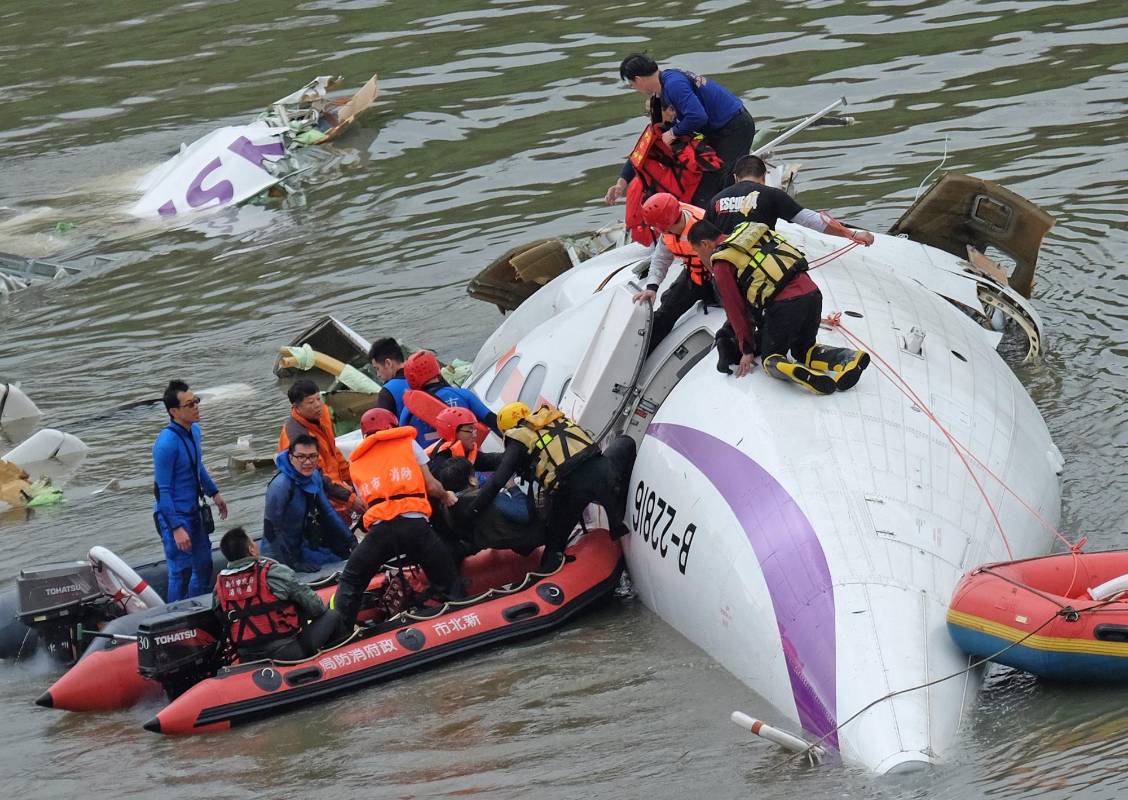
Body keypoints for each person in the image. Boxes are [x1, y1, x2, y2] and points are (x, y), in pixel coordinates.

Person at [687, 219, 870, 393]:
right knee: (805, 350)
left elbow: (736, 311)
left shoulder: (722, 263)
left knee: (771, 358)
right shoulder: (750, 234)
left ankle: (804, 376)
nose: (700, 257)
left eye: (697, 252)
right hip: (813, 294)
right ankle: (850, 358)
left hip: (786, 306)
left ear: (705, 244)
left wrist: (747, 350)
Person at [332, 407, 464, 630]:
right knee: (447, 576)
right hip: (415, 527)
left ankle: (340, 632)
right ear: (393, 426)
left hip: (382, 532)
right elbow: (431, 486)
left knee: (352, 580)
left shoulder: (357, 461)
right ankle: (461, 611)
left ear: (365, 435)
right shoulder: (409, 444)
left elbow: (367, 502)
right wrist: (446, 496)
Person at [470, 403, 637, 570]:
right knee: (625, 442)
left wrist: (473, 509)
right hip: (605, 472)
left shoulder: (519, 439)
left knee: (554, 546)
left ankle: (549, 567)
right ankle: (622, 503)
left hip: (573, 491)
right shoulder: (552, 421)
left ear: (507, 429)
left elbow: (497, 480)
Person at [607, 53, 755, 208]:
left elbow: (697, 116)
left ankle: (732, 218)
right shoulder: (658, 96)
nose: (635, 89)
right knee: (705, 182)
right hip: (715, 132)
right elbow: (647, 146)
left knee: (722, 179)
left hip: (734, 126)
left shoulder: (674, 85)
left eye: (632, 85)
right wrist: (621, 184)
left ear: (638, 79)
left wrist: (673, 133)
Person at [213, 527, 343, 662]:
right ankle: (337, 664)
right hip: (286, 652)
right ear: (251, 549)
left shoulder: (219, 587)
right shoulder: (274, 572)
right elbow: (316, 607)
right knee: (331, 615)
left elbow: (222, 620)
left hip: (247, 657)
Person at [152, 380, 228, 602]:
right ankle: (175, 615)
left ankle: (198, 607)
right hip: (173, 515)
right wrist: (175, 527)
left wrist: (214, 493)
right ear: (174, 411)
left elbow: (197, 466)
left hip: (194, 510)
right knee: (180, 572)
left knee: (204, 564)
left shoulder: (194, 430)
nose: (196, 407)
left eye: (196, 401)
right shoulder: (165, 444)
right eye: (189, 404)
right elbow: (162, 490)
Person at [704, 154, 877, 242]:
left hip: (724, 264)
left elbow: (703, 237)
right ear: (764, 177)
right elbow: (811, 220)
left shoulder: (715, 200)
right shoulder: (772, 195)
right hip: (758, 263)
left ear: (735, 178)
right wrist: (853, 234)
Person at [633, 192, 716, 355]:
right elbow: (661, 258)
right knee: (665, 313)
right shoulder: (669, 227)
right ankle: (640, 353)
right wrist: (652, 287)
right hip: (693, 276)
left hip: (718, 277)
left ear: (662, 225)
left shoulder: (704, 223)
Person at [263, 434, 356, 573]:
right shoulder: (280, 486)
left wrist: (351, 540)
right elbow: (271, 531)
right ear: (291, 458)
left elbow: (328, 511)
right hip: (280, 556)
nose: (307, 462)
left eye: (312, 456)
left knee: (341, 560)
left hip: (302, 546)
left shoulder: (314, 476)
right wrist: (291, 564)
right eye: (301, 457)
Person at [278, 379, 363, 523]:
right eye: (311, 402)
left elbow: (333, 451)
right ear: (296, 406)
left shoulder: (322, 413)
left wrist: (354, 481)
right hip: (317, 497)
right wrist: (350, 498)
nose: (317, 405)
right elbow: (316, 477)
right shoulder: (296, 438)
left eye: (319, 398)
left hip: (336, 487)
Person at [437, 457, 545, 557]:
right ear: (472, 481)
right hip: (521, 537)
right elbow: (526, 513)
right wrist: (513, 488)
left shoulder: (446, 508)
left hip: (490, 540)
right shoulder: (490, 499)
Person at [398, 350, 499, 446]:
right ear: (436, 368)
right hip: (470, 460)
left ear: (411, 378)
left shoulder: (408, 411)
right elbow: (495, 422)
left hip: (432, 462)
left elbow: (404, 443)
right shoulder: (463, 395)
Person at [424, 406, 503, 472]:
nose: (475, 435)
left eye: (474, 429)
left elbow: (489, 460)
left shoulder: (462, 450)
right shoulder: (439, 463)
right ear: (452, 432)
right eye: (470, 430)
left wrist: (513, 452)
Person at [368, 337, 408, 416]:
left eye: (377, 368)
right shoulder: (424, 378)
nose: (378, 374)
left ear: (388, 363)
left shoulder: (387, 392)